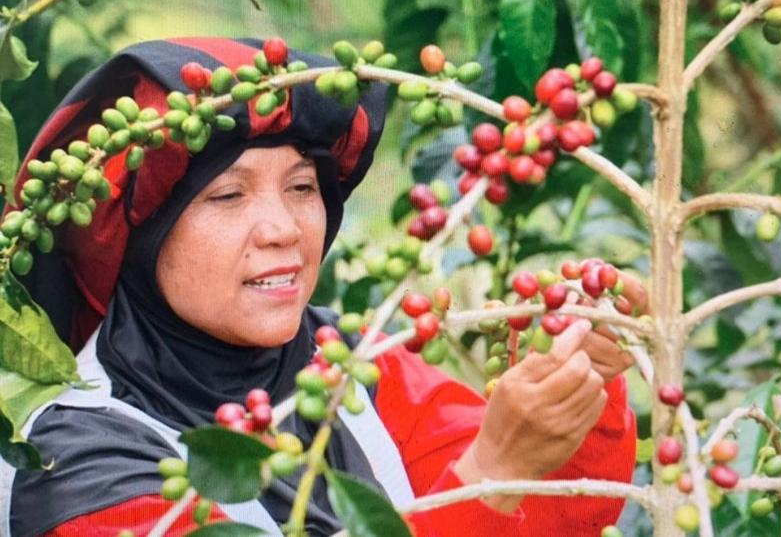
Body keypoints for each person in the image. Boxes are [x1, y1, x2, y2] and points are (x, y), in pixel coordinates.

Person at [0, 37, 637, 536]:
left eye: (303, 187)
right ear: (143, 236)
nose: (284, 229)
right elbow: (489, 478)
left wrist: (576, 386)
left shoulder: (354, 366)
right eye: (227, 195)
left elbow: (557, 516)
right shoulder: (77, 465)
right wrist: (492, 470)